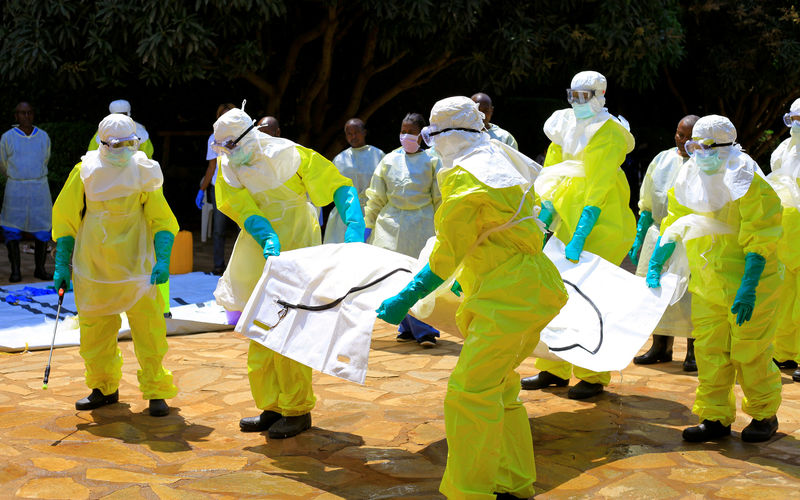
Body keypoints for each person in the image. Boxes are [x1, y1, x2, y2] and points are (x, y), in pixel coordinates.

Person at [377, 96, 567, 499]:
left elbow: (448, 251)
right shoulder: (501, 160)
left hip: (508, 296)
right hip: (530, 284)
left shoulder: (465, 175)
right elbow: (522, 223)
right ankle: (513, 481)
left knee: (469, 393)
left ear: (446, 136)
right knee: (500, 388)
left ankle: (470, 491)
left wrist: (406, 297)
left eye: (433, 135)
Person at [211, 106, 366, 439]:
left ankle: (297, 409)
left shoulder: (292, 155)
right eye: (222, 148)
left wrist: (353, 223)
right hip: (259, 243)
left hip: (298, 239)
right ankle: (271, 406)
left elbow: (338, 186)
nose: (227, 154)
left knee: (291, 329)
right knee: (259, 326)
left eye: (231, 147)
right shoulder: (229, 165)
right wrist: (264, 233)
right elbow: (238, 205)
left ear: (248, 136)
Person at [647, 115, 782, 443]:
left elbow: (761, 233)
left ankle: (764, 414)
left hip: (750, 283)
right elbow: (676, 219)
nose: (699, 153)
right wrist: (657, 259)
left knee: (750, 351)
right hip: (707, 281)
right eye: (695, 146)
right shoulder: (689, 174)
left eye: (706, 147)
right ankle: (715, 417)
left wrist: (749, 285)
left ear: (725, 146)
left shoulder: (747, 179)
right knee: (709, 350)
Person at [52, 114, 178, 417]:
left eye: (126, 144)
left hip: (137, 260)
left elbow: (161, 218)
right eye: (115, 145)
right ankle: (102, 387)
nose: (121, 150)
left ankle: (156, 390)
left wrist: (162, 259)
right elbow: (66, 218)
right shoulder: (85, 171)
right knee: (95, 330)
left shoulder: (145, 171)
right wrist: (61, 264)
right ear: (102, 143)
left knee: (149, 329)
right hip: (94, 261)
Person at [521, 70, 636, 399]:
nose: (577, 103)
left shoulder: (609, 132)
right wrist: (545, 218)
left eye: (584, 96)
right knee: (555, 295)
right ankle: (553, 368)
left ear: (601, 95)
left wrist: (582, 233)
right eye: (573, 95)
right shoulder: (562, 124)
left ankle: (592, 375)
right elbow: (552, 173)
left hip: (602, 222)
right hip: (565, 214)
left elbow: (598, 187)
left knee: (591, 298)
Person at [365, 113, 441, 347]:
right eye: (403, 130)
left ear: (422, 134)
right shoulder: (388, 160)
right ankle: (407, 325)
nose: (406, 135)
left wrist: (442, 226)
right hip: (391, 225)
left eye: (411, 131)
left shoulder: (432, 161)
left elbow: (438, 197)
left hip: (422, 224)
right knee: (396, 274)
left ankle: (425, 327)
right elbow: (376, 196)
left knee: (418, 275)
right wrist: (369, 225)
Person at [630, 115, 700, 372]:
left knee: (690, 294)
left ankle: (694, 350)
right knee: (655, 292)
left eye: (690, 137)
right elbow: (647, 199)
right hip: (658, 233)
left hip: (691, 237)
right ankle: (661, 346)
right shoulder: (662, 159)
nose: (682, 141)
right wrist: (640, 235)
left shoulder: (705, 164)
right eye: (680, 134)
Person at [0, 101, 53, 282]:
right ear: (16, 116)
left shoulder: (43, 136)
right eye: (22, 113)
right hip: (16, 187)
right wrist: (18, 175)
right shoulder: (7, 137)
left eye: (29, 112)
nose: (26, 116)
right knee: (12, 227)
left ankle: (40, 268)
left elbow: (45, 158)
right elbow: (3, 163)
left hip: (39, 187)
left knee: (42, 227)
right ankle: (15, 270)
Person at [767, 98, 800, 382]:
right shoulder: (783, 150)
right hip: (787, 231)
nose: (795, 126)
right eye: (793, 120)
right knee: (785, 295)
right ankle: (785, 351)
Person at [324, 118, 384, 244]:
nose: (353, 136)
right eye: (349, 134)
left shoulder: (378, 155)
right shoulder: (339, 159)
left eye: (356, 132)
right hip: (345, 215)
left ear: (364, 132)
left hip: (370, 212)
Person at [196, 103, 236, 275]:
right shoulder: (213, 138)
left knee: (244, 228)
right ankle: (218, 266)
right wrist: (202, 189)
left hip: (238, 186)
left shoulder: (242, 136)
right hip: (218, 187)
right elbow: (212, 167)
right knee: (219, 229)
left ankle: (239, 267)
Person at [88, 100, 154, 158]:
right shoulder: (141, 130)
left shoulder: (103, 129)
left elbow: (92, 152)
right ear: (129, 112)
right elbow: (148, 154)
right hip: (134, 170)